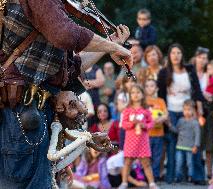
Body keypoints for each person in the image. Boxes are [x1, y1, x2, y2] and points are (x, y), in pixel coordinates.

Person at [0, 0, 133, 188]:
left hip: (35, 114)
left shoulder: (51, 12)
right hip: (20, 114)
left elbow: (70, 70)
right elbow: (64, 33)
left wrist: (110, 44)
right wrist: (112, 47)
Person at [157, 43, 205, 184]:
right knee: (172, 145)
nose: (176, 56)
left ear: (182, 55)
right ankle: (172, 176)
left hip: (188, 112)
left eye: (178, 53)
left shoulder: (190, 70)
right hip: (171, 112)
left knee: (193, 144)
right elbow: (160, 96)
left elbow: (197, 90)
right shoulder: (164, 72)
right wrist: (164, 114)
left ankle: (197, 176)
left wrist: (199, 109)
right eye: (173, 53)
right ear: (169, 56)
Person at [118, 84, 159, 189]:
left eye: (138, 92)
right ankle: (124, 183)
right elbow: (124, 124)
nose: (135, 95)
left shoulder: (146, 110)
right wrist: (132, 123)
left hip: (143, 141)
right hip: (130, 141)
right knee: (127, 162)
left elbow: (151, 123)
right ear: (130, 96)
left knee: (146, 163)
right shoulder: (127, 110)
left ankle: (152, 183)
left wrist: (144, 125)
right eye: (133, 93)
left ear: (142, 94)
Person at [169, 100, 200, 183]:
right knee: (179, 162)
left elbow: (197, 135)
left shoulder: (195, 122)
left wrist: (196, 145)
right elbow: (177, 131)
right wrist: (170, 125)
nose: (187, 112)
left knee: (190, 163)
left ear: (193, 111)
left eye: (189, 110)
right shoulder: (180, 121)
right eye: (185, 109)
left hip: (190, 147)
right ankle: (178, 177)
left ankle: (191, 176)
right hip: (180, 146)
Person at [144, 79, 168, 181]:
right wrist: (150, 121)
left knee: (157, 156)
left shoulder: (160, 101)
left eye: (152, 85)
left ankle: (156, 176)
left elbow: (166, 115)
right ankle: (147, 176)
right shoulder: (143, 101)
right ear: (144, 89)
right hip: (146, 134)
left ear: (156, 88)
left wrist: (160, 119)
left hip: (158, 134)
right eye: (147, 86)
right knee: (147, 156)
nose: (150, 88)